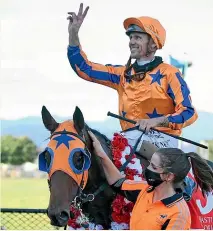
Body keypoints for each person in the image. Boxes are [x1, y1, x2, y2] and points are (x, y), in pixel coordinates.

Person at [67, 3, 198, 148]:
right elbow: (84, 68)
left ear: (153, 44)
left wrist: (156, 121)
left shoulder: (170, 73)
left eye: (138, 38)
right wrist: (73, 34)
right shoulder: (121, 75)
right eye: (131, 38)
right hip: (128, 144)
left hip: (163, 146)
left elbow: (189, 113)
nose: (132, 42)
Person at [88, 131, 213, 230]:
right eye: (149, 164)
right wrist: (101, 153)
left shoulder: (179, 214)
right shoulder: (144, 189)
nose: (147, 169)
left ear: (169, 176)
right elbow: (117, 182)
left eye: (153, 167)